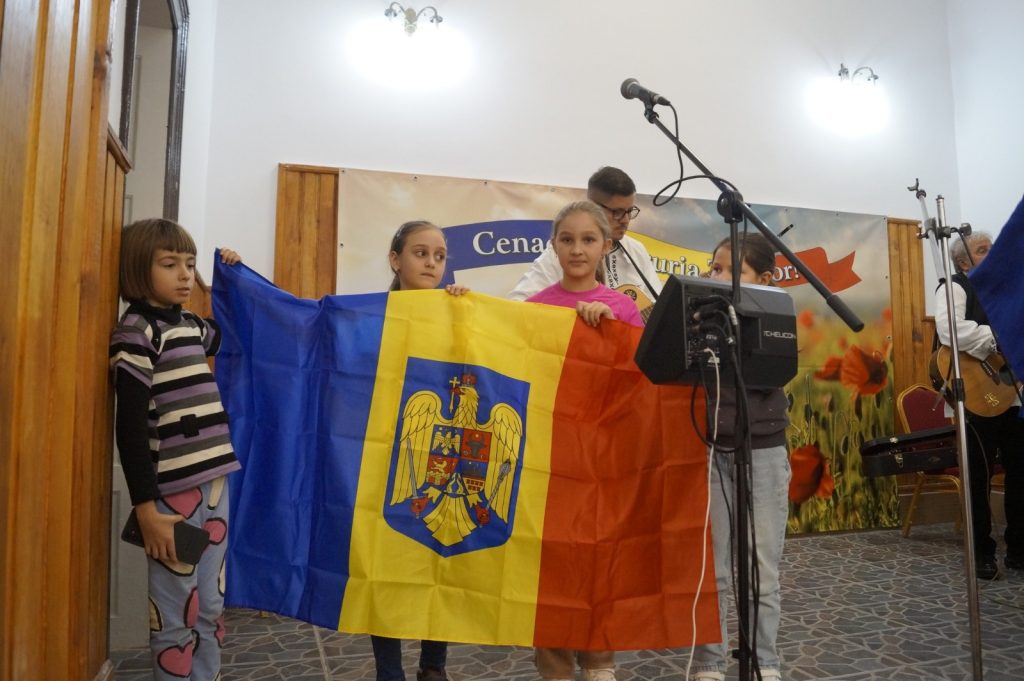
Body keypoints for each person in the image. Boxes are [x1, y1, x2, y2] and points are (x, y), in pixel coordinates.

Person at [109, 218, 243, 681]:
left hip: (216, 484)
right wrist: (145, 507)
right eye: (170, 264)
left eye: (189, 264)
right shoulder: (137, 332)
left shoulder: (189, 324)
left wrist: (232, 277)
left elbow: (230, 334)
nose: (185, 274)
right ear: (137, 269)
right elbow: (129, 426)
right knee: (175, 611)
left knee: (211, 605)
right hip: (171, 495)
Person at [525, 200, 643, 681]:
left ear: (606, 246)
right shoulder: (534, 309)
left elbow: (640, 385)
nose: (577, 249)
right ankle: (554, 666)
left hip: (603, 461)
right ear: (553, 246)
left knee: (600, 559)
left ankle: (599, 662)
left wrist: (609, 331)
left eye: (588, 240)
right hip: (550, 458)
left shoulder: (623, 309)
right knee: (550, 562)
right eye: (567, 239)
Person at [689, 233, 790, 681]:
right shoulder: (699, 319)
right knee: (713, 570)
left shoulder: (776, 316)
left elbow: (769, 376)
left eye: (733, 270)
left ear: (764, 279)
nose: (719, 277)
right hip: (711, 450)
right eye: (715, 268)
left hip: (763, 453)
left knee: (761, 570)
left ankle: (764, 660)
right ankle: (709, 661)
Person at [372, 219, 468, 681]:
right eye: (420, 253)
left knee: (437, 559)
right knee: (383, 563)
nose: (431, 263)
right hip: (383, 454)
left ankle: (434, 666)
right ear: (395, 260)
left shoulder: (456, 311)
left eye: (439, 256)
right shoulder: (373, 314)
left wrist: (469, 315)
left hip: (439, 456)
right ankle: (388, 670)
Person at [934, 230, 1024, 580]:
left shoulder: (1010, 290)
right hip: (976, 392)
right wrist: (997, 336)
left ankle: (1018, 549)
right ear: (963, 262)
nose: (993, 253)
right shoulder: (955, 287)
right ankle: (982, 553)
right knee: (978, 476)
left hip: (1015, 394)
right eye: (983, 249)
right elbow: (950, 331)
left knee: (1020, 474)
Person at [509, 166, 661, 320]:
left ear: (606, 246)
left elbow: (658, 309)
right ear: (593, 207)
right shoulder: (559, 255)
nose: (625, 220)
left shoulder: (636, 250)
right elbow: (516, 307)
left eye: (629, 211)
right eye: (617, 212)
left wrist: (620, 321)